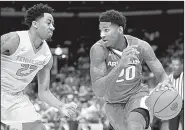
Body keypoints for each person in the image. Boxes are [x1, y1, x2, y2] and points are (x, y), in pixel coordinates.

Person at [90, 9, 173, 130]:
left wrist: (165, 82)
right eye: (101, 30)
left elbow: (162, 75)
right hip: (113, 103)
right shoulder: (98, 50)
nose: (102, 34)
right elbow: (98, 91)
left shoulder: (141, 46)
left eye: (106, 30)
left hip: (136, 95)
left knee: (134, 125)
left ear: (120, 29)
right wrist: (120, 66)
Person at [1, 3, 77, 130]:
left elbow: (44, 92)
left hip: (15, 97)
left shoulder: (47, 56)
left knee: (38, 127)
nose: (52, 27)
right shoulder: (13, 40)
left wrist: (61, 106)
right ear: (35, 24)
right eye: (48, 23)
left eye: (53, 24)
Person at [160, 56, 184, 130]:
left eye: (177, 65)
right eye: (173, 65)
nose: (175, 67)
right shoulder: (169, 78)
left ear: (181, 66)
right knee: (172, 128)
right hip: (173, 106)